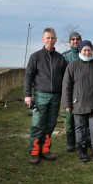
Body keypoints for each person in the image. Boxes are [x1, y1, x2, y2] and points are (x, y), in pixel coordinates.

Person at [62, 40, 93, 163]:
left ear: (92, 51)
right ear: (80, 51)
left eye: (89, 50)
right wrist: (67, 103)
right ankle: (83, 151)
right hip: (78, 104)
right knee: (80, 129)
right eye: (84, 50)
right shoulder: (72, 66)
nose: (87, 52)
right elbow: (66, 86)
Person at [24, 28, 67, 165]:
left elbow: (66, 78)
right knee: (37, 125)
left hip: (56, 96)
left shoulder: (60, 58)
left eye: (52, 38)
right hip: (40, 95)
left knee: (50, 124)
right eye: (48, 38)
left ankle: (45, 149)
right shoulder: (35, 56)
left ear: (55, 39)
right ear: (43, 39)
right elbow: (28, 76)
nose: (50, 40)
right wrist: (27, 95)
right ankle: (34, 152)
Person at [62, 31, 82, 152]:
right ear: (70, 41)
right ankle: (70, 142)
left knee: (83, 119)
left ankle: (85, 141)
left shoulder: (86, 53)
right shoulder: (64, 56)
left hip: (83, 92)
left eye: (77, 39)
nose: (75, 41)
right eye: (73, 39)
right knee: (69, 119)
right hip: (70, 92)